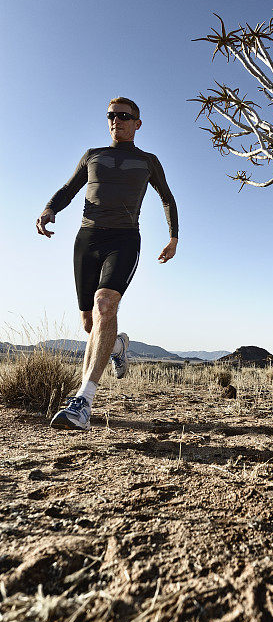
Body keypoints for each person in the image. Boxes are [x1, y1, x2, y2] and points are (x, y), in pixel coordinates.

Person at [36, 97, 178, 431]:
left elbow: (167, 198)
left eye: (125, 116)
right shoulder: (92, 155)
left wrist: (173, 237)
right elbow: (69, 189)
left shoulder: (148, 161)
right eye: (112, 115)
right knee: (90, 324)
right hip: (87, 240)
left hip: (125, 239)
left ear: (138, 124)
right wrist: (49, 209)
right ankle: (117, 345)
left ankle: (83, 401)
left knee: (104, 305)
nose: (117, 120)